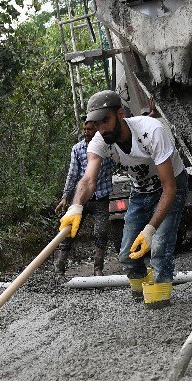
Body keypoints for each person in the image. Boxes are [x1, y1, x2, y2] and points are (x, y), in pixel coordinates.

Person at [59, 90, 187, 308]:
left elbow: (169, 188)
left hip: (170, 186)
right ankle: (142, 283)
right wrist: (76, 206)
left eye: (105, 121)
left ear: (120, 114)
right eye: (96, 124)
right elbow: (88, 179)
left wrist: (150, 229)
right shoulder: (100, 140)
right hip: (140, 190)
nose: (101, 129)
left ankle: (161, 290)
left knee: (159, 246)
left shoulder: (151, 131)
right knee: (127, 254)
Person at [54, 118, 112, 276]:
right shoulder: (78, 149)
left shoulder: (108, 147)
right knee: (69, 231)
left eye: (90, 129)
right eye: (84, 129)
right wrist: (66, 196)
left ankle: (98, 268)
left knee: (101, 233)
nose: (86, 132)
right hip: (81, 199)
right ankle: (59, 268)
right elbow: (72, 174)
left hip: (101, 197)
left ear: (97, 130)